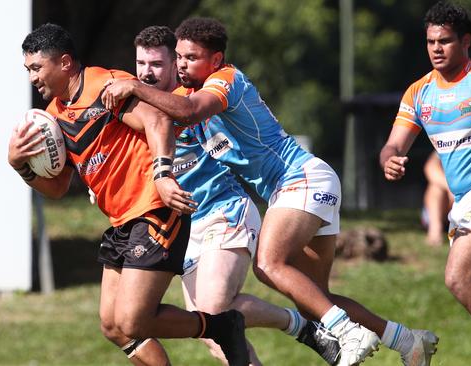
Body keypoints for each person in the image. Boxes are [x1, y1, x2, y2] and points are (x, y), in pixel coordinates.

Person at [103, 17, 438, 366]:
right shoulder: (187, 92)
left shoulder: (225, 80)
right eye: (180, 58)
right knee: (315, 298)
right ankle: (407, 341)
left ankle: (349, 332)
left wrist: (133, 87)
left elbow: (186, 112)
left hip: (300, 178)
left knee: (268, 264)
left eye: (189, 58)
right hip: (297, 187)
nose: (182, 65)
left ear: (215, 59)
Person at [8, 23, 251, 366]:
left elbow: (158, 123)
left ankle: (222, 326)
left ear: (64, 63)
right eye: (28, 70)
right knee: (114, 326)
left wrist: (164, 175)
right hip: (122, 220)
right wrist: (22, 166)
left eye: (36, 68)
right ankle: (220, 326)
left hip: (153, 209)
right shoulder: (54, 117)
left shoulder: (104, 86)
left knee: (134, 320)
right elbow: (58, 188)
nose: (32, 78)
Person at [131, 25, 340, 365]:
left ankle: (304, 325)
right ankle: (306, 326)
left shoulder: (196, 97)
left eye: (157, 64)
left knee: (213, 310)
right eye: (140, 64)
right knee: (208, 329)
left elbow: (192, 115)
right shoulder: (140, 106)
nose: (146, 73)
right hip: (184, 228)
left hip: (222, 210)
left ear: (176, 64)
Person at [380, 0, 471, 330]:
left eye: (445, 41)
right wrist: (389, 161)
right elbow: (394, 144)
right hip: (462, 201)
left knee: (459, 278)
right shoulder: (419, 92)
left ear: (465, 41)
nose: (436, 49)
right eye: (431, 42)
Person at [421, 152, 454, 246]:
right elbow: (430, 167)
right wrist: (452, 189)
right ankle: (435, 230)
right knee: (436, 187)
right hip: (448, 203)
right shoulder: (447, 142)